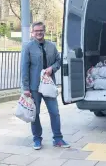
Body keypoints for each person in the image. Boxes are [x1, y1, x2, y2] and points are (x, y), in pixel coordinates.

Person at [21, 21, 70, 150]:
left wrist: (52, 69)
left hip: (48, 86)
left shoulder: (52, 46)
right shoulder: (28, 47)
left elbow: (58, 61)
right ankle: (37, 139)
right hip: (34, 87)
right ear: (32, 32)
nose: (39, 33)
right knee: (35, 114)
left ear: (44, 31)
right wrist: (25, 88)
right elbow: (24, 68)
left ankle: (58, 139)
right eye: (36, 31)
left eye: (41, 30)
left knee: (54, 112)